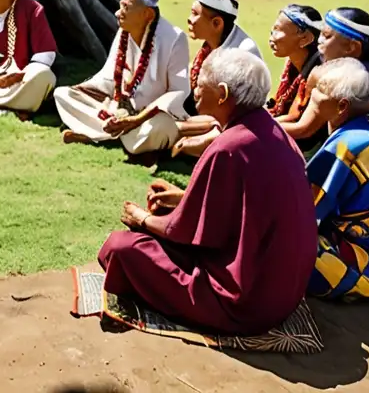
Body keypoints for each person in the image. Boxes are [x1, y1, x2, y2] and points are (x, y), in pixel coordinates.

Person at [99, 49, 317, 335]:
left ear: (223, 94)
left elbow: (186, 230)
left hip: (243, 303)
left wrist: (141, 219)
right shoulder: (272, 133)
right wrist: (182, 198)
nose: (195, 90)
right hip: (283, 294)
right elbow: (239, 208)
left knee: (121, 248)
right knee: (163, 212)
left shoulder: (228, 147)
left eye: (201, 83)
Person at [305, 58, 369, 299]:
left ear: (341, 107)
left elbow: (304, 209)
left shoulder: (348, 147)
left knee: (285, 244)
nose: (311, 94)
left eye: (319, 91)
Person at [56, 0, 190, 155]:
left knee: (162, 128)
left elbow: (179, 90)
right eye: (121, 6)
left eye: (126, 7)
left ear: (147, 14)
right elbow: (109, 75)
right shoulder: (124, 32)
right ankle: (116, 134)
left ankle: (99, 134)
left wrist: (137, 119)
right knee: (63, 94)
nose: (118, 13)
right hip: (119, 107)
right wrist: (83, 89)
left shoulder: (175, 38)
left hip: (150, 116)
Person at [172, 0, 266, 157]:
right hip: (207, 115)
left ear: (217, 23)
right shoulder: (210, 43)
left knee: (165, 129)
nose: (189, 20)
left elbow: (237, 117)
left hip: (228, 124)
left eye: (195, 14)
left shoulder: (243, 54)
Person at [317, 8, 369, 125]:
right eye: (321, 34)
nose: (319, 41)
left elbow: (306, 128)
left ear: (351, 48)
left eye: (327, 36)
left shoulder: (357, 76)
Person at [267, 5, 326, 150]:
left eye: (278, 30)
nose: (271, 37)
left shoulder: (318, 71)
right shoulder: (293, 63)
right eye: (273, 29)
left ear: (305, 39)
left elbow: (295, 118)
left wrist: (256, 125)